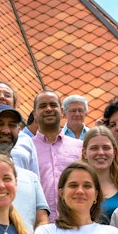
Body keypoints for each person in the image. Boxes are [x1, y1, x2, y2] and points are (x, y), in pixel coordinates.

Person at [31, 90, 84, 221]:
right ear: (34, 114)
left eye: (53, 105)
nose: (48, 109)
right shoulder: (27, 148)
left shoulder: (80, 147)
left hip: (75, 222)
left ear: (61, 111)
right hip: (38, 225)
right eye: (42, 106)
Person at [0, 80, 40, 175]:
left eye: (7, 95)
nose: (2, 97)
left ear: (14, 105)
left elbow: (34, 176)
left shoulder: (26, 140)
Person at [81, 126, 118, 223]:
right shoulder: (77, 187)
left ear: (114, 152)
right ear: (84, 153)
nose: (101, 153)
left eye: (106, 148)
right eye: (94, 148)